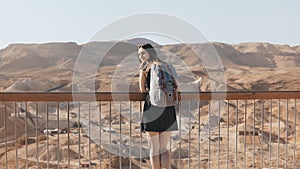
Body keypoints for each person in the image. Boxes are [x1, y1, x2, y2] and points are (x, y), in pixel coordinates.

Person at [137, 43, 179, 169]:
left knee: (154, 148)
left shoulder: (145, 67)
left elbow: (142, 89)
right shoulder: (166, 66)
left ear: (150, 53)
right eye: (139, 54)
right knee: (164, 148)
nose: (141, 56)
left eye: (143, 53)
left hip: (152, 108)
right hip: (168, 107)